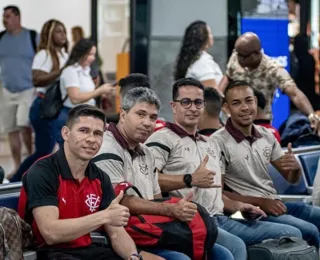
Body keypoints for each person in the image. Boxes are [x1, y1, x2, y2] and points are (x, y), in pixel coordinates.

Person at [145, 78, 302, 260]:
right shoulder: (162, 139)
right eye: (186, 102)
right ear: (174, 106)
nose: (193, 108)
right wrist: (189, 179)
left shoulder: (209, 143)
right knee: (235, 248)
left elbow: (217, 195)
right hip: (190, 220)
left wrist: (240, 206)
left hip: (222, 218)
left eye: (198, 102)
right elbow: (147, 180)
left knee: (291, 234)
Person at [93, 87, 234, 260]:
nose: (147, 123)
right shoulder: (107, 149)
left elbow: (157, 198)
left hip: (150, 229)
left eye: (152, 117)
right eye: (141, 114)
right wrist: (170, 208)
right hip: (120, 233)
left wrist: (173, 211)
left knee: (223, 254)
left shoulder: (147, 153)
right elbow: (120, 201)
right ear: (123, 114)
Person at [18, 104, 161, 260]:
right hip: (49, 253)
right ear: (66, 133)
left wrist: (133, 257)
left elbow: (116, 233)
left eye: (98, 133)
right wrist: (104, 216)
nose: (91, 139)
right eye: (83, 131)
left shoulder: (100, 177)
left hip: (88, 249)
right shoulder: (42, 171)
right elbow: (51, 233)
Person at [212, 80, 320, 249]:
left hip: (273, 203)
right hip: (244, 212)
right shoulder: (217, 142)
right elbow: (217, 195)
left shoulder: (265, 135)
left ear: (255, 101)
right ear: (226, 108)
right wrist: (261, 202)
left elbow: (291, 178)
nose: (245, 107)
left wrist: (295, 168)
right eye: (236, 103)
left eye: (248, 101)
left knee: (317, 215)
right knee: (308, 231)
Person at [218, 32, 320, 132]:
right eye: (237, 54)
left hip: (259, 124)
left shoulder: (273, 68)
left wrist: (311, 115)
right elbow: (228, 76)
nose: (239, 59)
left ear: (257, 53)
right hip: (235, 120)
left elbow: (294, 93)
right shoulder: (237, 55)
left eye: (243, 56)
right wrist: (218, 95)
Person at [9, 19, 69, 182]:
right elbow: (36, 79)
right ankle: (15, 181)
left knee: (52, 150)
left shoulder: (63, 54)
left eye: (64, 31)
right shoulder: (44, 54)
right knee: (44, 151)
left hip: (57, 108)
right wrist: (61, 71)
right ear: (49, 35)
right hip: (44, 107)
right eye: (58, 31)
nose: (63, 34)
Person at [0, 5, 38, 177]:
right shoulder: (1, 38)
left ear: (17, 17)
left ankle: (30, 162)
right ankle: (17, 165)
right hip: (7, 91)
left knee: (24, 124)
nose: (4, 19)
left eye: (7, 16)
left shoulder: (31, 37)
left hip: (27, 89)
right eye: (3, 16)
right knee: (11, 129)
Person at [56, 38, 115, 145]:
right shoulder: (71, 71)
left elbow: (87, 93)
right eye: (90, 54)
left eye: (94, 54)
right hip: (72, 116)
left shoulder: (85, 71)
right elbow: (74, 98)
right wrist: (98, 91)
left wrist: (101, 91)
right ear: (80, 53)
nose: (93, 58)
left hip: (85, 115)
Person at [174, 20, 223, 90]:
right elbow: (212, 94)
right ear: (203, 38)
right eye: (210, 33)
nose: (212, 36)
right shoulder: (202, 62)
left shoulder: (195, 59)